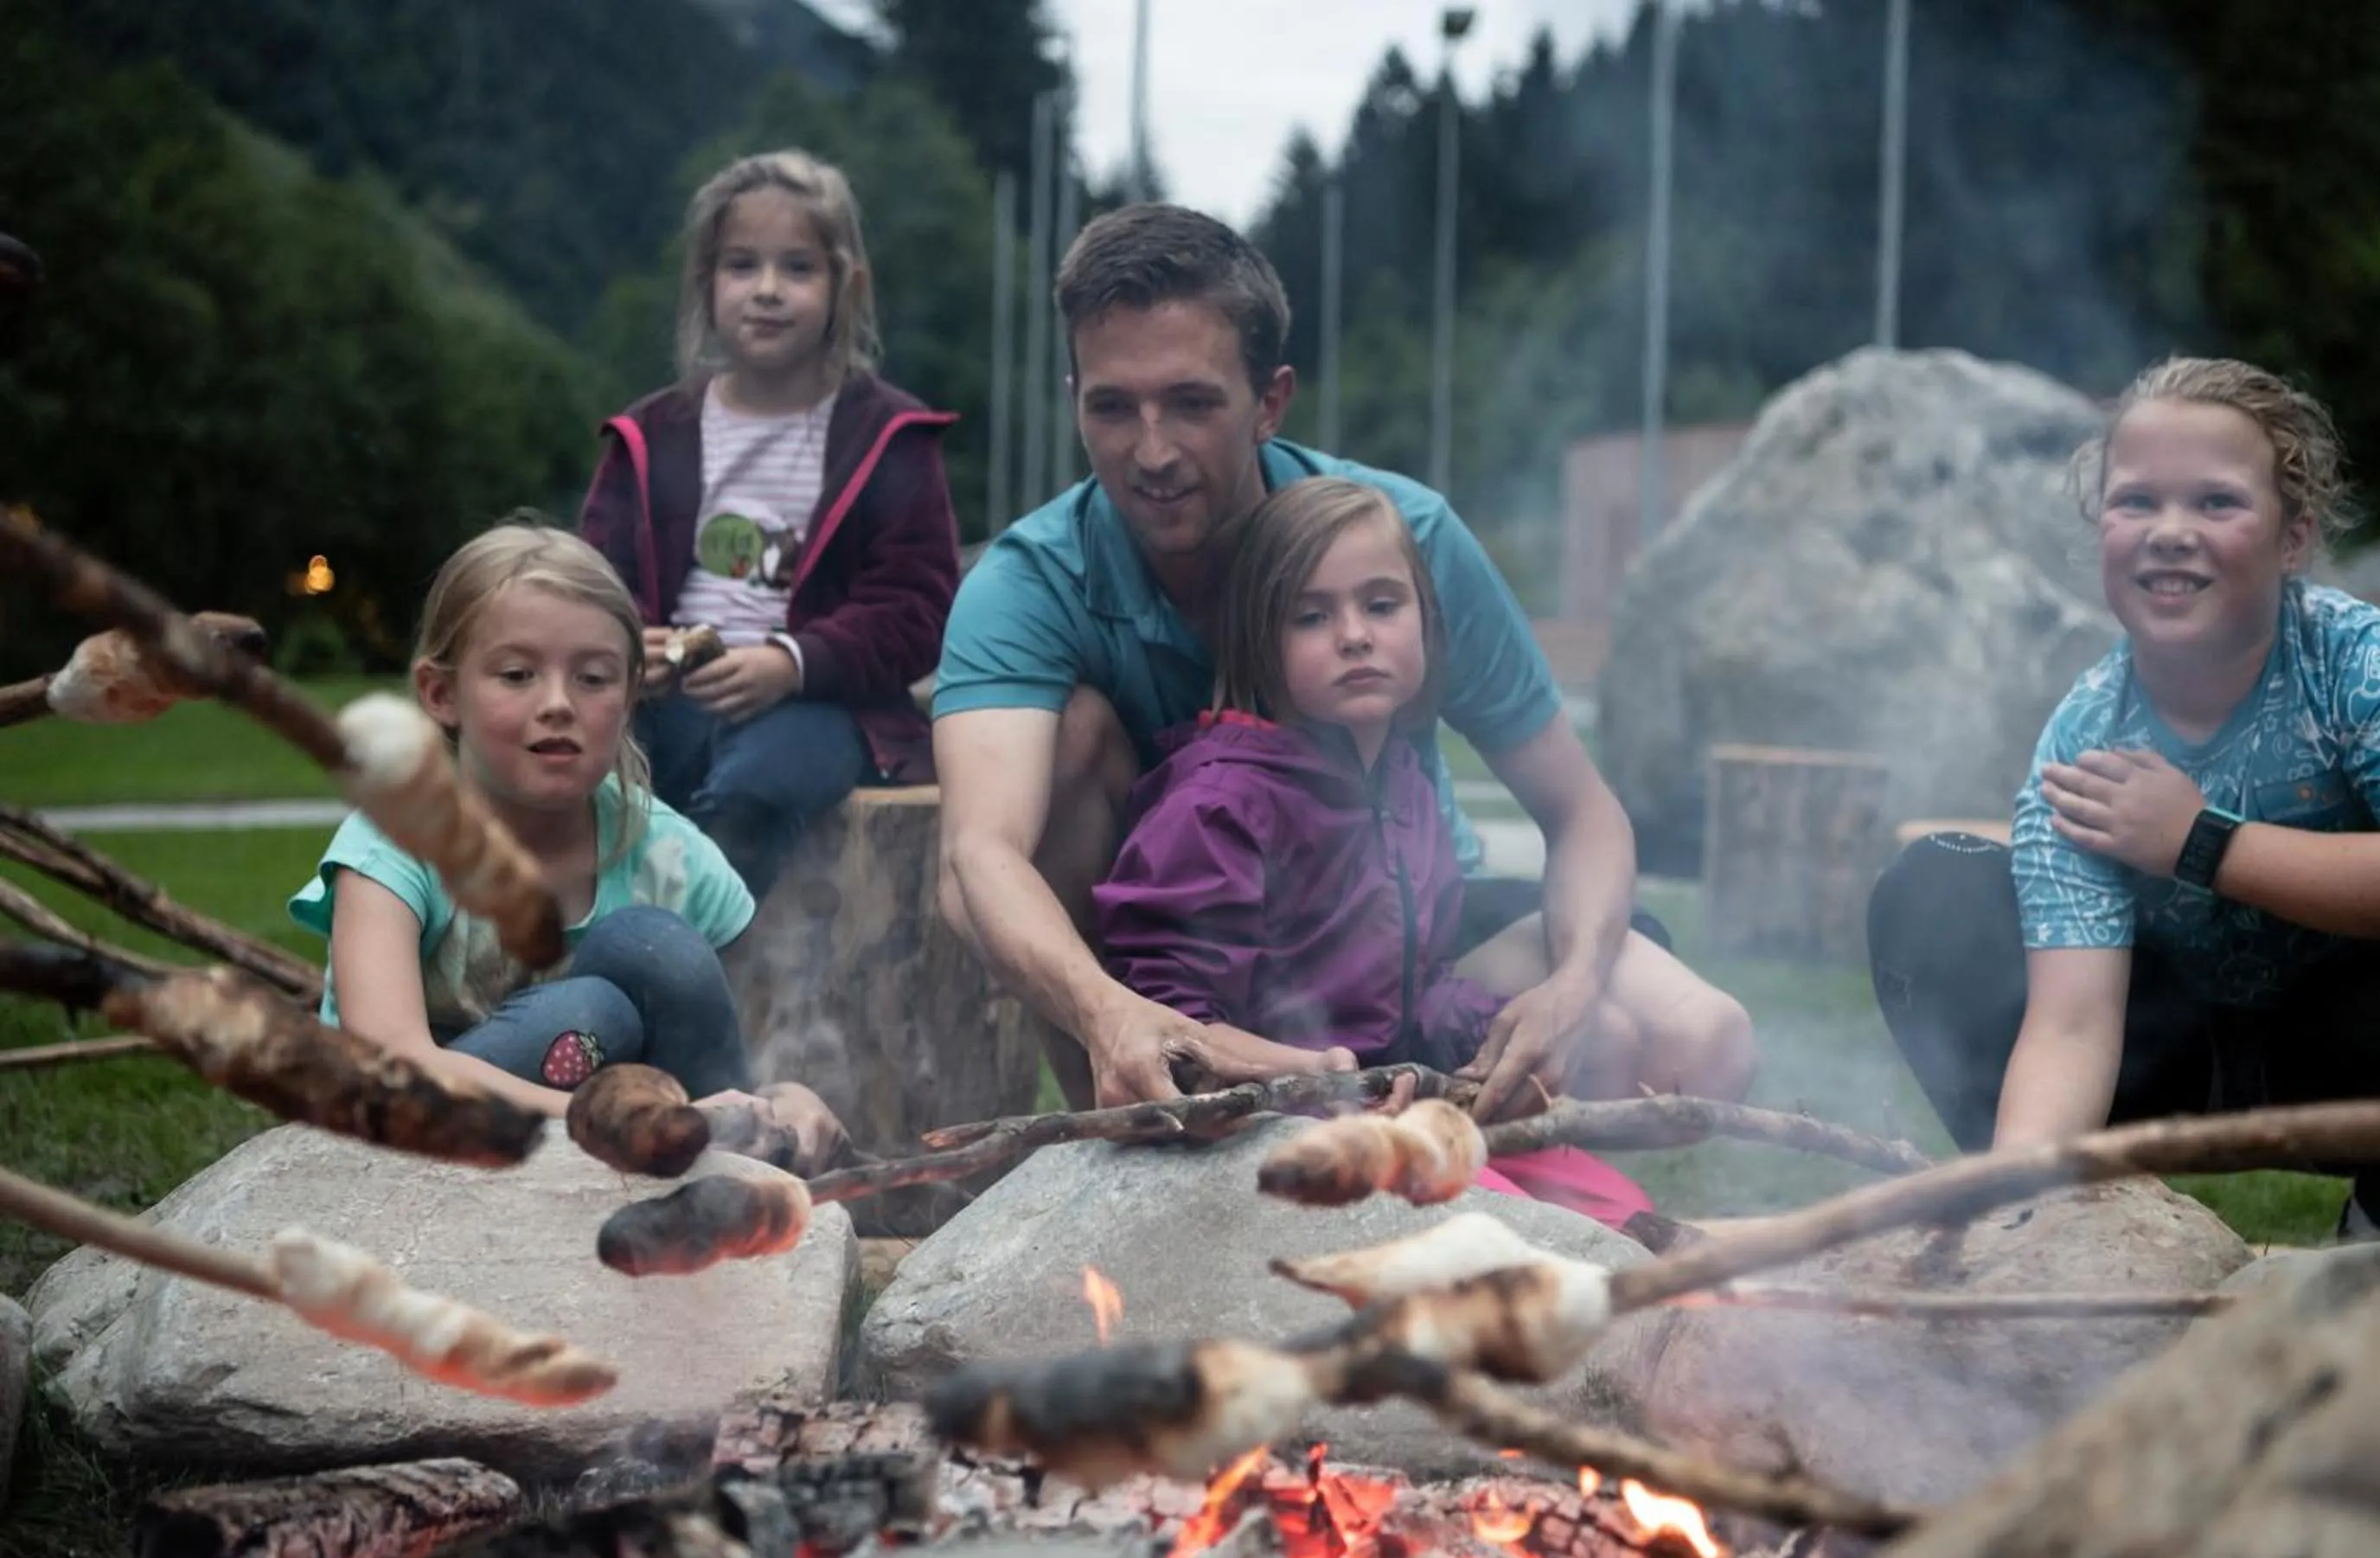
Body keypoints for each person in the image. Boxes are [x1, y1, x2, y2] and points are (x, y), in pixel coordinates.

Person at [933, 202, 1754, 1115]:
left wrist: (1568, 992)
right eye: (1114, 408)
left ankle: (1510, 1225)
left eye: (1194, 403)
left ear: (1270, 401)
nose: (1152, 451)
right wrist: (1109, 1012)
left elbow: (1584, 812)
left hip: (1412, 930)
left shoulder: (1404, 543)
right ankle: (1131, 1115)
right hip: (1190, 972)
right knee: (1054, 763)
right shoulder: (1028, 583)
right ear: (1074, 397)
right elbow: (979, 855)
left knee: (1694, 1041)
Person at [1865, 357, 2380, 1239]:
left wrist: (2202, 841)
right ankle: (2061, 1229)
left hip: (2343, 1047)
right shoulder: (2087, 740)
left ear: (2294, 536)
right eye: (2137, 501)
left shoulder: (2351, 659)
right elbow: (2072, 1026)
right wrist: (2013, 1208)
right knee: (1932, 890)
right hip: (2156, 1060)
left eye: (2216, 502)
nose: (2170, 531)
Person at [1093, 477, 1663, 1228]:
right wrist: (1317, 1076)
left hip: (1384, 1106)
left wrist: (1488, 1045)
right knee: (1535, 1235)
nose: (1355, 634)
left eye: (1382, 605)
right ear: (1261, 641)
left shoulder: (1402, 783)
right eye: (1311, 616)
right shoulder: (1218, 807)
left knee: (1621, 1212)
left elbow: (1403, 994)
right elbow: (1170, 1034)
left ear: (1427, 622)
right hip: (1259, 1136)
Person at [579, 149, 962, 899]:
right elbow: (591, 585)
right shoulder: (652, 434)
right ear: (706, 284)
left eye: (797, 268)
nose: (767, 291)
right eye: (741, 266)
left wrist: (792, 663)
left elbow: (917, 610)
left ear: (845, 288)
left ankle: (669, 966)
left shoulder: (888, 436)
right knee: (578, 784)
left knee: (755, 795)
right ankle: (534, 968)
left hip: (823, 704)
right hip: (663, 697)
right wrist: (625, 646)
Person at [290, 523, 762, 1119]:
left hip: (610, 1148)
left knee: (655, 949)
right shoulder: (396, 839)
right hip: (401, 1139)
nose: (559, 704)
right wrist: (610, 1125)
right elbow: (392, 1062)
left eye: (593, 678)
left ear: (630, 692)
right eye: (517, 675)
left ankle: (734, 1177)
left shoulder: (666, 850)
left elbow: (769, 1033)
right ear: (441, 694)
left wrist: (788, 1100)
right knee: (591, 1014)